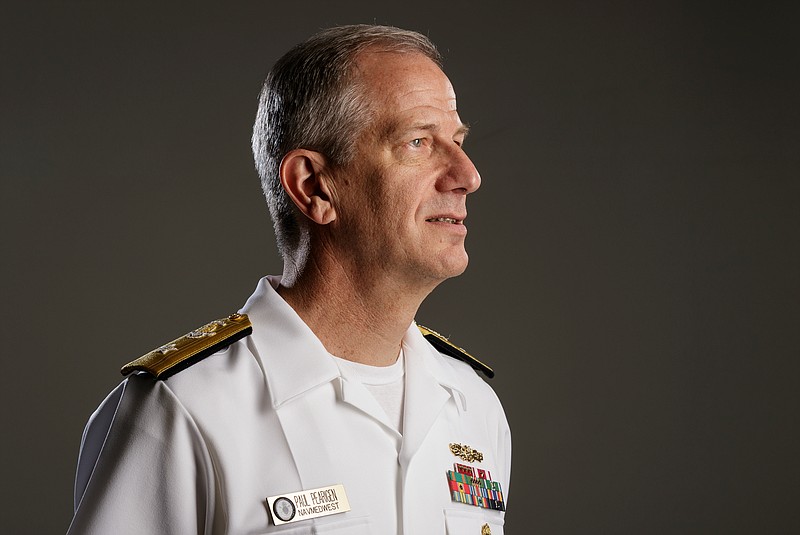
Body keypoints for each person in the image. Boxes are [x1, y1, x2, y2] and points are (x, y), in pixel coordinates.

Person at [67, 24, 511, 535]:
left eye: (457, 141)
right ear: (314, 187)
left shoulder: (473, 406)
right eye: (417, 142)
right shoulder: (183, 408)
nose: (468, 174)